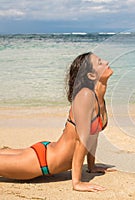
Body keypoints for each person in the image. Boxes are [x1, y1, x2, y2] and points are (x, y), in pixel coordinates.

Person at [0, 52, 114, 192]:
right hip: (43, 162)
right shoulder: (85, 95)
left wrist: (92, 166)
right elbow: (81, 141)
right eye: (100, 63)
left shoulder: (98, 98)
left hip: (49, 151)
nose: (107, 62)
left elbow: (93, 135)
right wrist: (77, 183)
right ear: (91, 75)